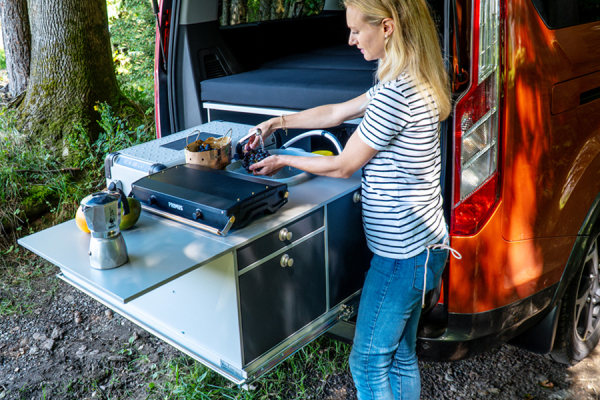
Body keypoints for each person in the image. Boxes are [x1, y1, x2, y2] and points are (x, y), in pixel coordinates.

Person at [248, 0, 454, 398]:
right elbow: (335, 113)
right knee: (401, 355)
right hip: (425, 247)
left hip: (401, 257)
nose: (350, 39)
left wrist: (282, 159)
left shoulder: (395, 95)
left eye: (357, 31)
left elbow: (345, 165)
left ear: (388, 27)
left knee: (367, 362)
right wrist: (279, 121)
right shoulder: (412, 78)